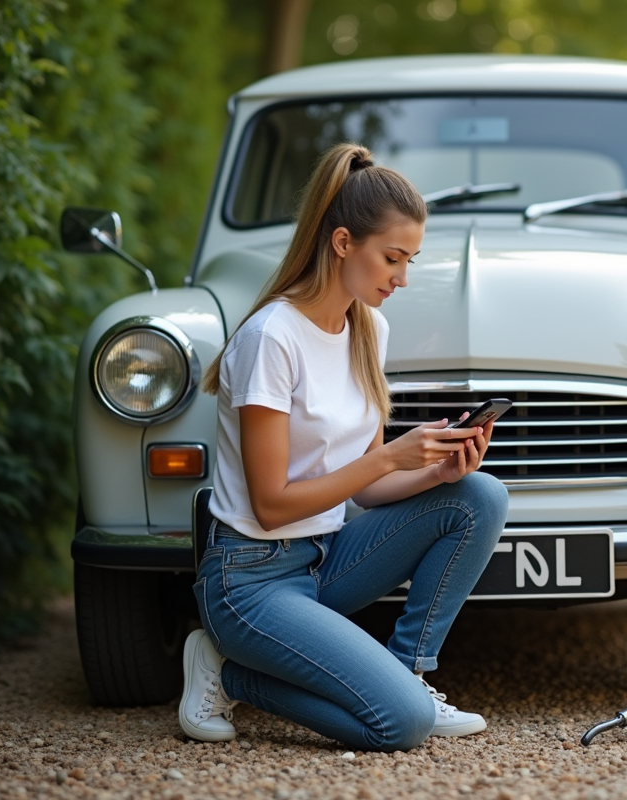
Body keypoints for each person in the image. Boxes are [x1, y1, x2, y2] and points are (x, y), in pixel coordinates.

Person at [179, 143, 509, 752]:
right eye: (392, 258)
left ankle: (410, 672)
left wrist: (434, 473)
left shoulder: (367, 327)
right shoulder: (271, 338)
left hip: (326, 558)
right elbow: (271, 505)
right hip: (250, 579)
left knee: (478, 496)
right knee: (401, 724)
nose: (402, 278)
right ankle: (226, 671)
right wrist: (389, 456)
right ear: (341, 243)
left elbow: (369, 487)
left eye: (409, 260)